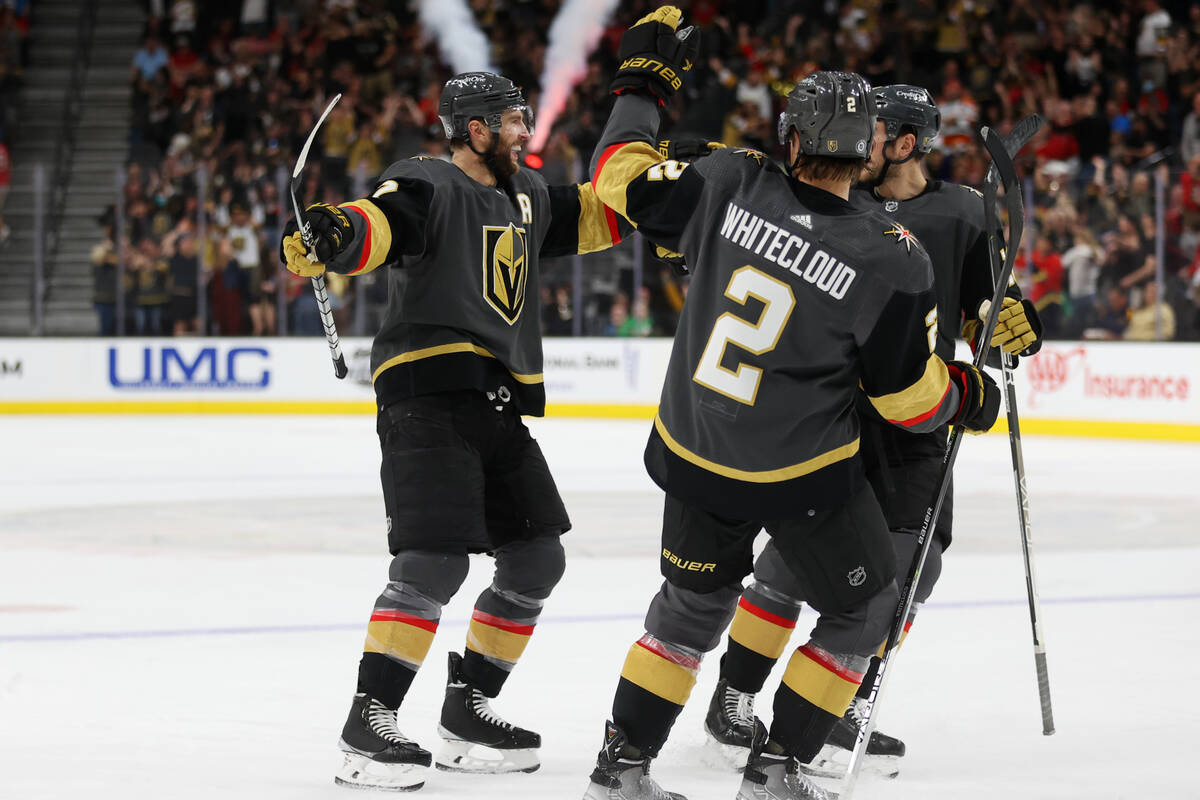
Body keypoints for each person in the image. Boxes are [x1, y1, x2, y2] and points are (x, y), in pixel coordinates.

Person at [580, 10, 1001, 800]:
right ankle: (775, 773)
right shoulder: (890, 257)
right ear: (866, 148)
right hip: (800, 474)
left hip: (694, 451)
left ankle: (621, 770)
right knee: (870, 603)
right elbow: (910, 403)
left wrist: (642, 85)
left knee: (685, 611)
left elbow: (615, 174)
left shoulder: (727, 179)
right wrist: (970, 394)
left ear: (796, 140)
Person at [280, 72, 629, 792]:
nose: (524, 132)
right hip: (427, 392)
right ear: (473, 128)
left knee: (536, 560)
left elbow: (598, 215)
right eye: (511, 121)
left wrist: (671, 188)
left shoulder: (525, 195)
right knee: (434, 562)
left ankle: (468, 710)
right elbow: (382, 223)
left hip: (496, 399)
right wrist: (336, 233)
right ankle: (367, 726)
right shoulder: (425, 181)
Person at [701, 84, 1043, 783]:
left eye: (877, 130)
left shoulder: (964, 210)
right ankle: (733, 697)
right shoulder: (835, 196)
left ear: (910, 142)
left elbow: (985, 306)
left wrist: (1009, 322)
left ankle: (846, 700)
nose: (859, 139)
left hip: (917, 409)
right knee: (792, 563)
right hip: (836, 407)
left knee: (914, 567)